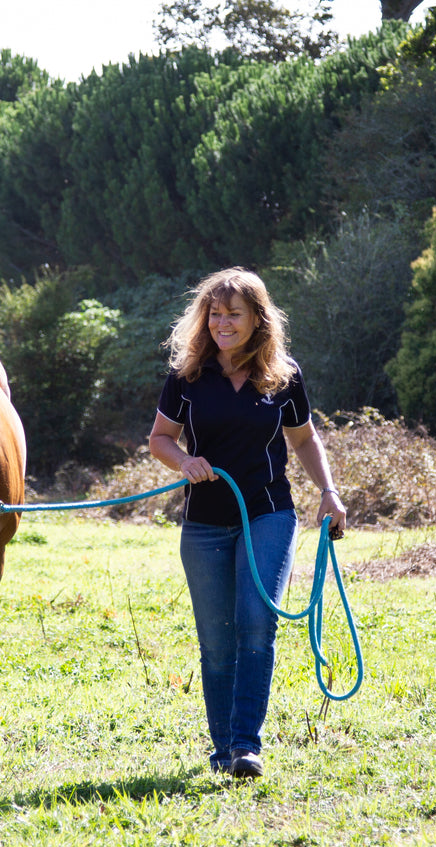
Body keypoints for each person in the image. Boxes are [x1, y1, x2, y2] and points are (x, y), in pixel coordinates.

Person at [147, 267, 347, 779]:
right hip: (205, 523)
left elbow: (303, 440)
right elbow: (160, 439)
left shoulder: (283, 375)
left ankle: (244, 745)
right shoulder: (187, 377)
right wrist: (183, 462)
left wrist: (328, 492)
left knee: (257, 620)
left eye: (233, 314)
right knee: (216, 640)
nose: (222, 323)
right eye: (215, 314)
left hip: (268, 512)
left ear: (258, 319)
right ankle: (221, 750)